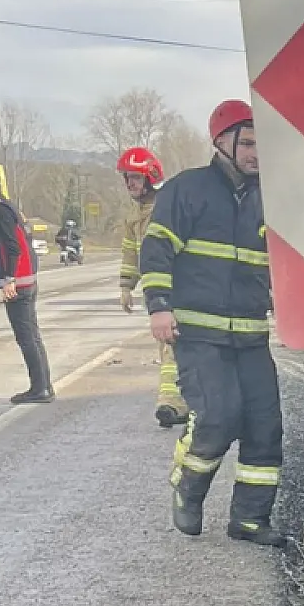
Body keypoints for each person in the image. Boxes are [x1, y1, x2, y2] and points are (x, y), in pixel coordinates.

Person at [139, 99, 285, 547]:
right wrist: (158, 306)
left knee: (265, 426)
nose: (257, 152)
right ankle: (189, 487)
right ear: (222, 141)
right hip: (198, 334)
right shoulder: (188, 190)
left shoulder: (273, 196)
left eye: (264, 143)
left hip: (251, 335)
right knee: (218, 417)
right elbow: (156, 248)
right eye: (249, 142)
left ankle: (249, 519)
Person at [117, 146, 188, 428]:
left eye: (135, 177)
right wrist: (126, 286)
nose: (130, 184)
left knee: (172, 344)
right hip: (156, 292)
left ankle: (172, 402)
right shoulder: (133, 216)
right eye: (127, 178)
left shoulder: (168, 207)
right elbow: (130, 253)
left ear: (151, 177)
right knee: (168, 346)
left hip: (176, 287)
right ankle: (179, 400)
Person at [0, 168, 52, 403]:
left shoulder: (0, 211)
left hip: (19, 281)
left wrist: (9, 279)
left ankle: (40, 389)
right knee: (32, 335)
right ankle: (43, 386)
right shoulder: (5, 207)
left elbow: (13, 246)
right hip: (25, 279)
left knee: (26, 336)